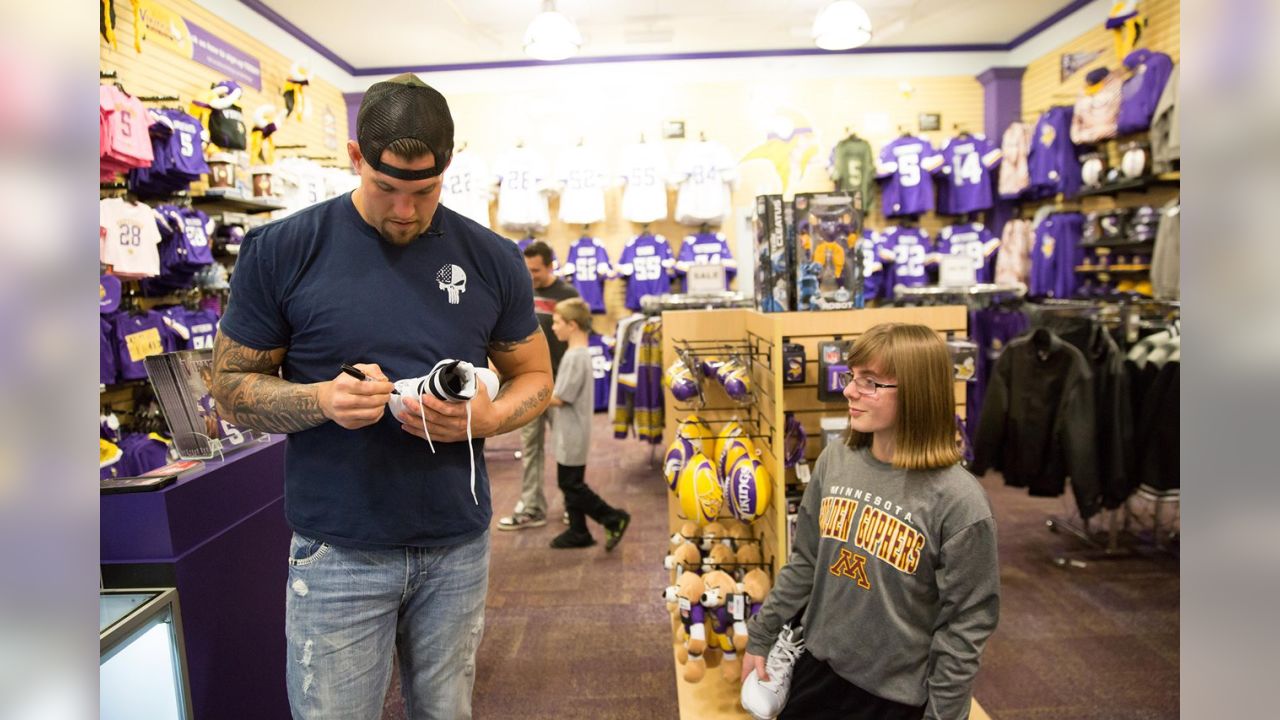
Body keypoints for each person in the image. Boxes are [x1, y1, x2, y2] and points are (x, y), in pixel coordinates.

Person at [210, 73, 553, 720]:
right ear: (354, 157)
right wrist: (322, 401)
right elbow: (229, 388)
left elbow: (534, 375)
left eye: (424, 192)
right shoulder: (283, 249)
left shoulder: (492, 258)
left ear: (449, 168)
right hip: (339, 549)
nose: (404, 210)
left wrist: (487, 418)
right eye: (386, 188)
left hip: (456, 545)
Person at [742, 323, 1000, 720]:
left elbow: (965, 624)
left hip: (894, 699)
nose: (848, 390)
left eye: (871, 382)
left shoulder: (959, 502)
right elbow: (806, 561)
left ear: (916, 392)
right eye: (852, 377)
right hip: (817, 673)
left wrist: (944, 714)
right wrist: (762, 634)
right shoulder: (836, 460)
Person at [496, 240, 579, 531]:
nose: (531, 276)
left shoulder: (567, 295)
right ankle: (532, 507)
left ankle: (574, 505)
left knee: (567, 450)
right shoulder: (522, 290)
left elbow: (577, 339)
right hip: (527, 386)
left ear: (551, 265)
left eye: (536, 270)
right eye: (527, 269)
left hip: (560, 387)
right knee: (531, 448)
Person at [545, 297, 630, 549]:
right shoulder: (577, 354)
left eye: (557, 322)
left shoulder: (575, 357)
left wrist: (533, 395)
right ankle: (578, 530)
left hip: (573, 431)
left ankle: (612, 517)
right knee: (570, 481)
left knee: (570, 483)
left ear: (572, 325)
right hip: (572, 429)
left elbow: (560, 398)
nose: (553, 327)